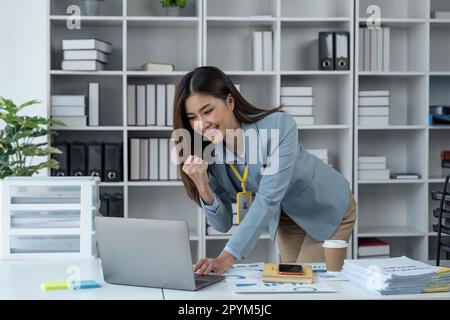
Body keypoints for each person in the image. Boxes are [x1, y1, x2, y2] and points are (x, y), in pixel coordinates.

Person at [172, 66, 357, 275]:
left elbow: (267, 198)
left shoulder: (279, 127)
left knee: (310, 285)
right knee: (292, 285)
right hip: (287, 217)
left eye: (207, 111)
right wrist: (203, 187)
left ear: (230, 102)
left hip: (326, 206)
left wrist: (225, 259)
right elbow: (222, 223)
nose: (201, 124)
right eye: (192, 117)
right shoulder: (210, 156)